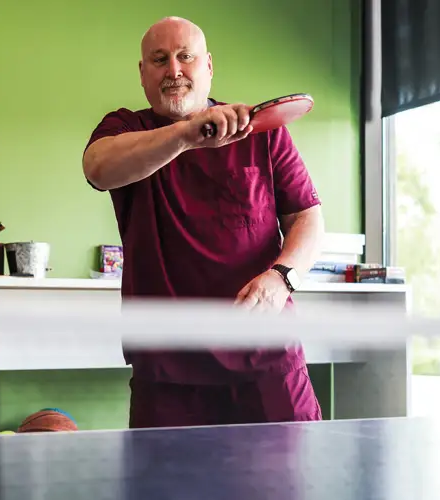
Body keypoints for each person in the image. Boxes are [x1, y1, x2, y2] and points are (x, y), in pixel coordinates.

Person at [82, 16, 326, 428]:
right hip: (166, 368)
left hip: (267, 356)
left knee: (295, 486)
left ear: (208, 66)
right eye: (159, 60)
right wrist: (186, 134)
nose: (173, 70)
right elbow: (98, 168)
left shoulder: (263, 132)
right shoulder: (125, 128)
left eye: (185, 57)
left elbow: (307, 217)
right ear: (143, 74)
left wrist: (282, 278)